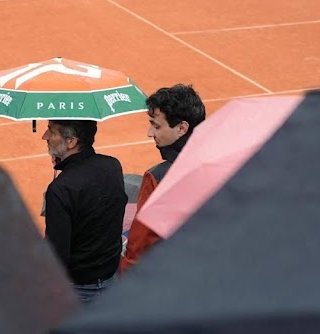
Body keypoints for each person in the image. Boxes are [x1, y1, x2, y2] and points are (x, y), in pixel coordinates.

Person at [120, 85, 205, 272]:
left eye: (156, 125)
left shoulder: (157, 178)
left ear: (182, 128)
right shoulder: (225, 164)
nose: (149, 133)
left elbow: (139, 247)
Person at [42, 119, 127, 302]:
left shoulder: (61, 189)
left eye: (51, 131)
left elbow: (56, 255)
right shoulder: (113, 165)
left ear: (71, 141)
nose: (45, 136)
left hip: (78, 291)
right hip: (112, 281)